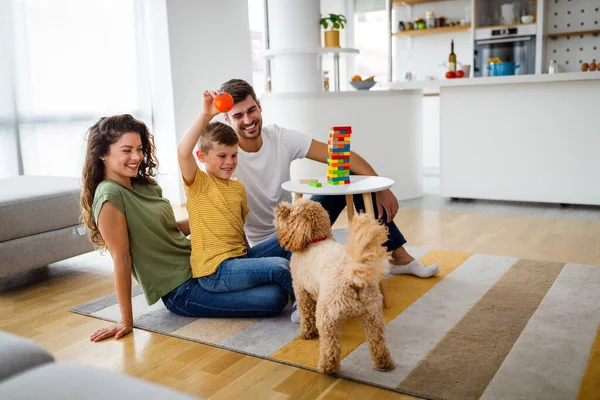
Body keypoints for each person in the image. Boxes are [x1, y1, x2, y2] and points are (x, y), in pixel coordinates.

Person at [81, 114, 289, 342]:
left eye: (139, 149)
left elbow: (169, 230)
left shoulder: (144, 185)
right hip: (182, 290)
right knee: (274, 296)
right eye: (126, 150)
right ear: (102, 153)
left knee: (289, 239)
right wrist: (125, 320)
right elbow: (121, 258)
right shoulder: (109, 195)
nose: (137, 157)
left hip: (205, 263)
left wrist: (215, 216)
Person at [219, 78, 440, 278]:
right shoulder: (224, 156)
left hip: (297, 228)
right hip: (266, 246)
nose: (248, 120)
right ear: (226, 118)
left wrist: (381, 188)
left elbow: (342, 157)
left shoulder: (278, 136)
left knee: (350, 174)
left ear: (259, 106)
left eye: (252, 110)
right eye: (238, 116)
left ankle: (400, 257)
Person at [177, 90, 297, 321]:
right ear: (202, 157)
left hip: (239, 259)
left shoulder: (237, 187)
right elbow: (183, 151)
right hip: (215, 271)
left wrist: (250, 263)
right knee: (280, 267)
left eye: (234, 156)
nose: (229, 162)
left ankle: (301, 287)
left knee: (291, 239)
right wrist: (206, 114)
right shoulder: (198, 183)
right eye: (222, 156)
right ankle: (306, 305)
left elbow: (237, 229)